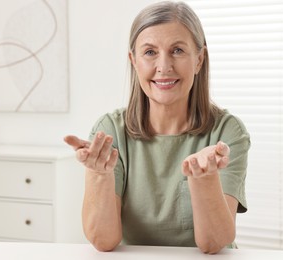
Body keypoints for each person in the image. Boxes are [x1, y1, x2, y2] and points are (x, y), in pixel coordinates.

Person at [64, 1, 250, 254]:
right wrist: (100, 175)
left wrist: (204, 179)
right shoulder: (110, 131)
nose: (164, 66)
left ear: (199, 59)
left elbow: (214, 243)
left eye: (177, 50)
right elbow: (103, 241)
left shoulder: (227, 133)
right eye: (150, 52)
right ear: (133, 60)